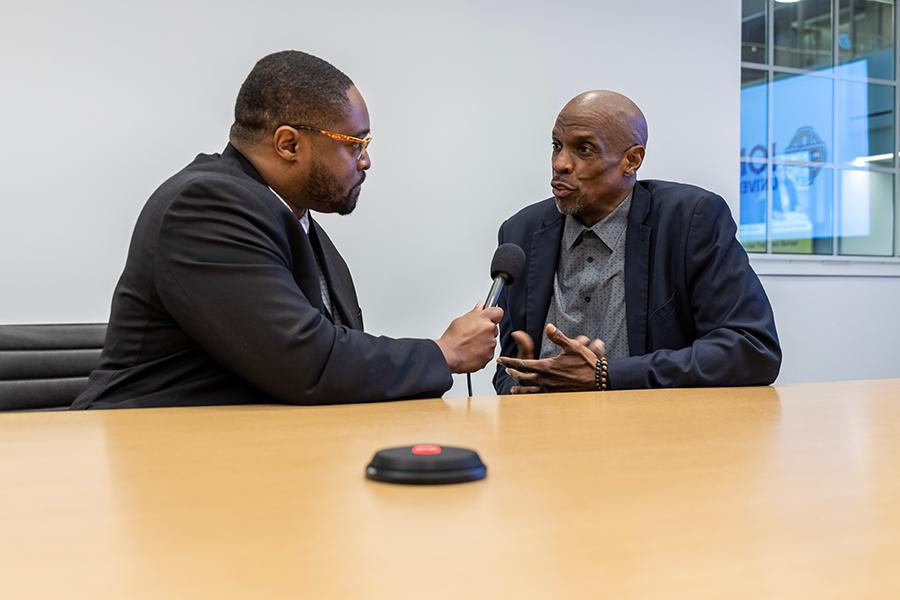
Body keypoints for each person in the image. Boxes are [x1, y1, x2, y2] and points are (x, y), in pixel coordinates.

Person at [72, 50, 501, 409]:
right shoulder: (205, 207)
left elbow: (337, 354)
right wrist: (444, 352)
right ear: (289, 144)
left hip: (246, 457)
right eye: (355, 144)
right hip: (149, 457)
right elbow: (308, 365)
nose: (366, 161)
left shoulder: (292, 219)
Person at [494, 90, 781, 394]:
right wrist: (519, 383)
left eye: (584, 149)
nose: (561, 164)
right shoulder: (521, 233)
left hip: (653, 429)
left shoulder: (690, 221)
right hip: (542, 430)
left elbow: (752, 349)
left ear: (631, 160)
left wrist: (608, 374)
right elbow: (509, 364)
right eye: (556, 146)